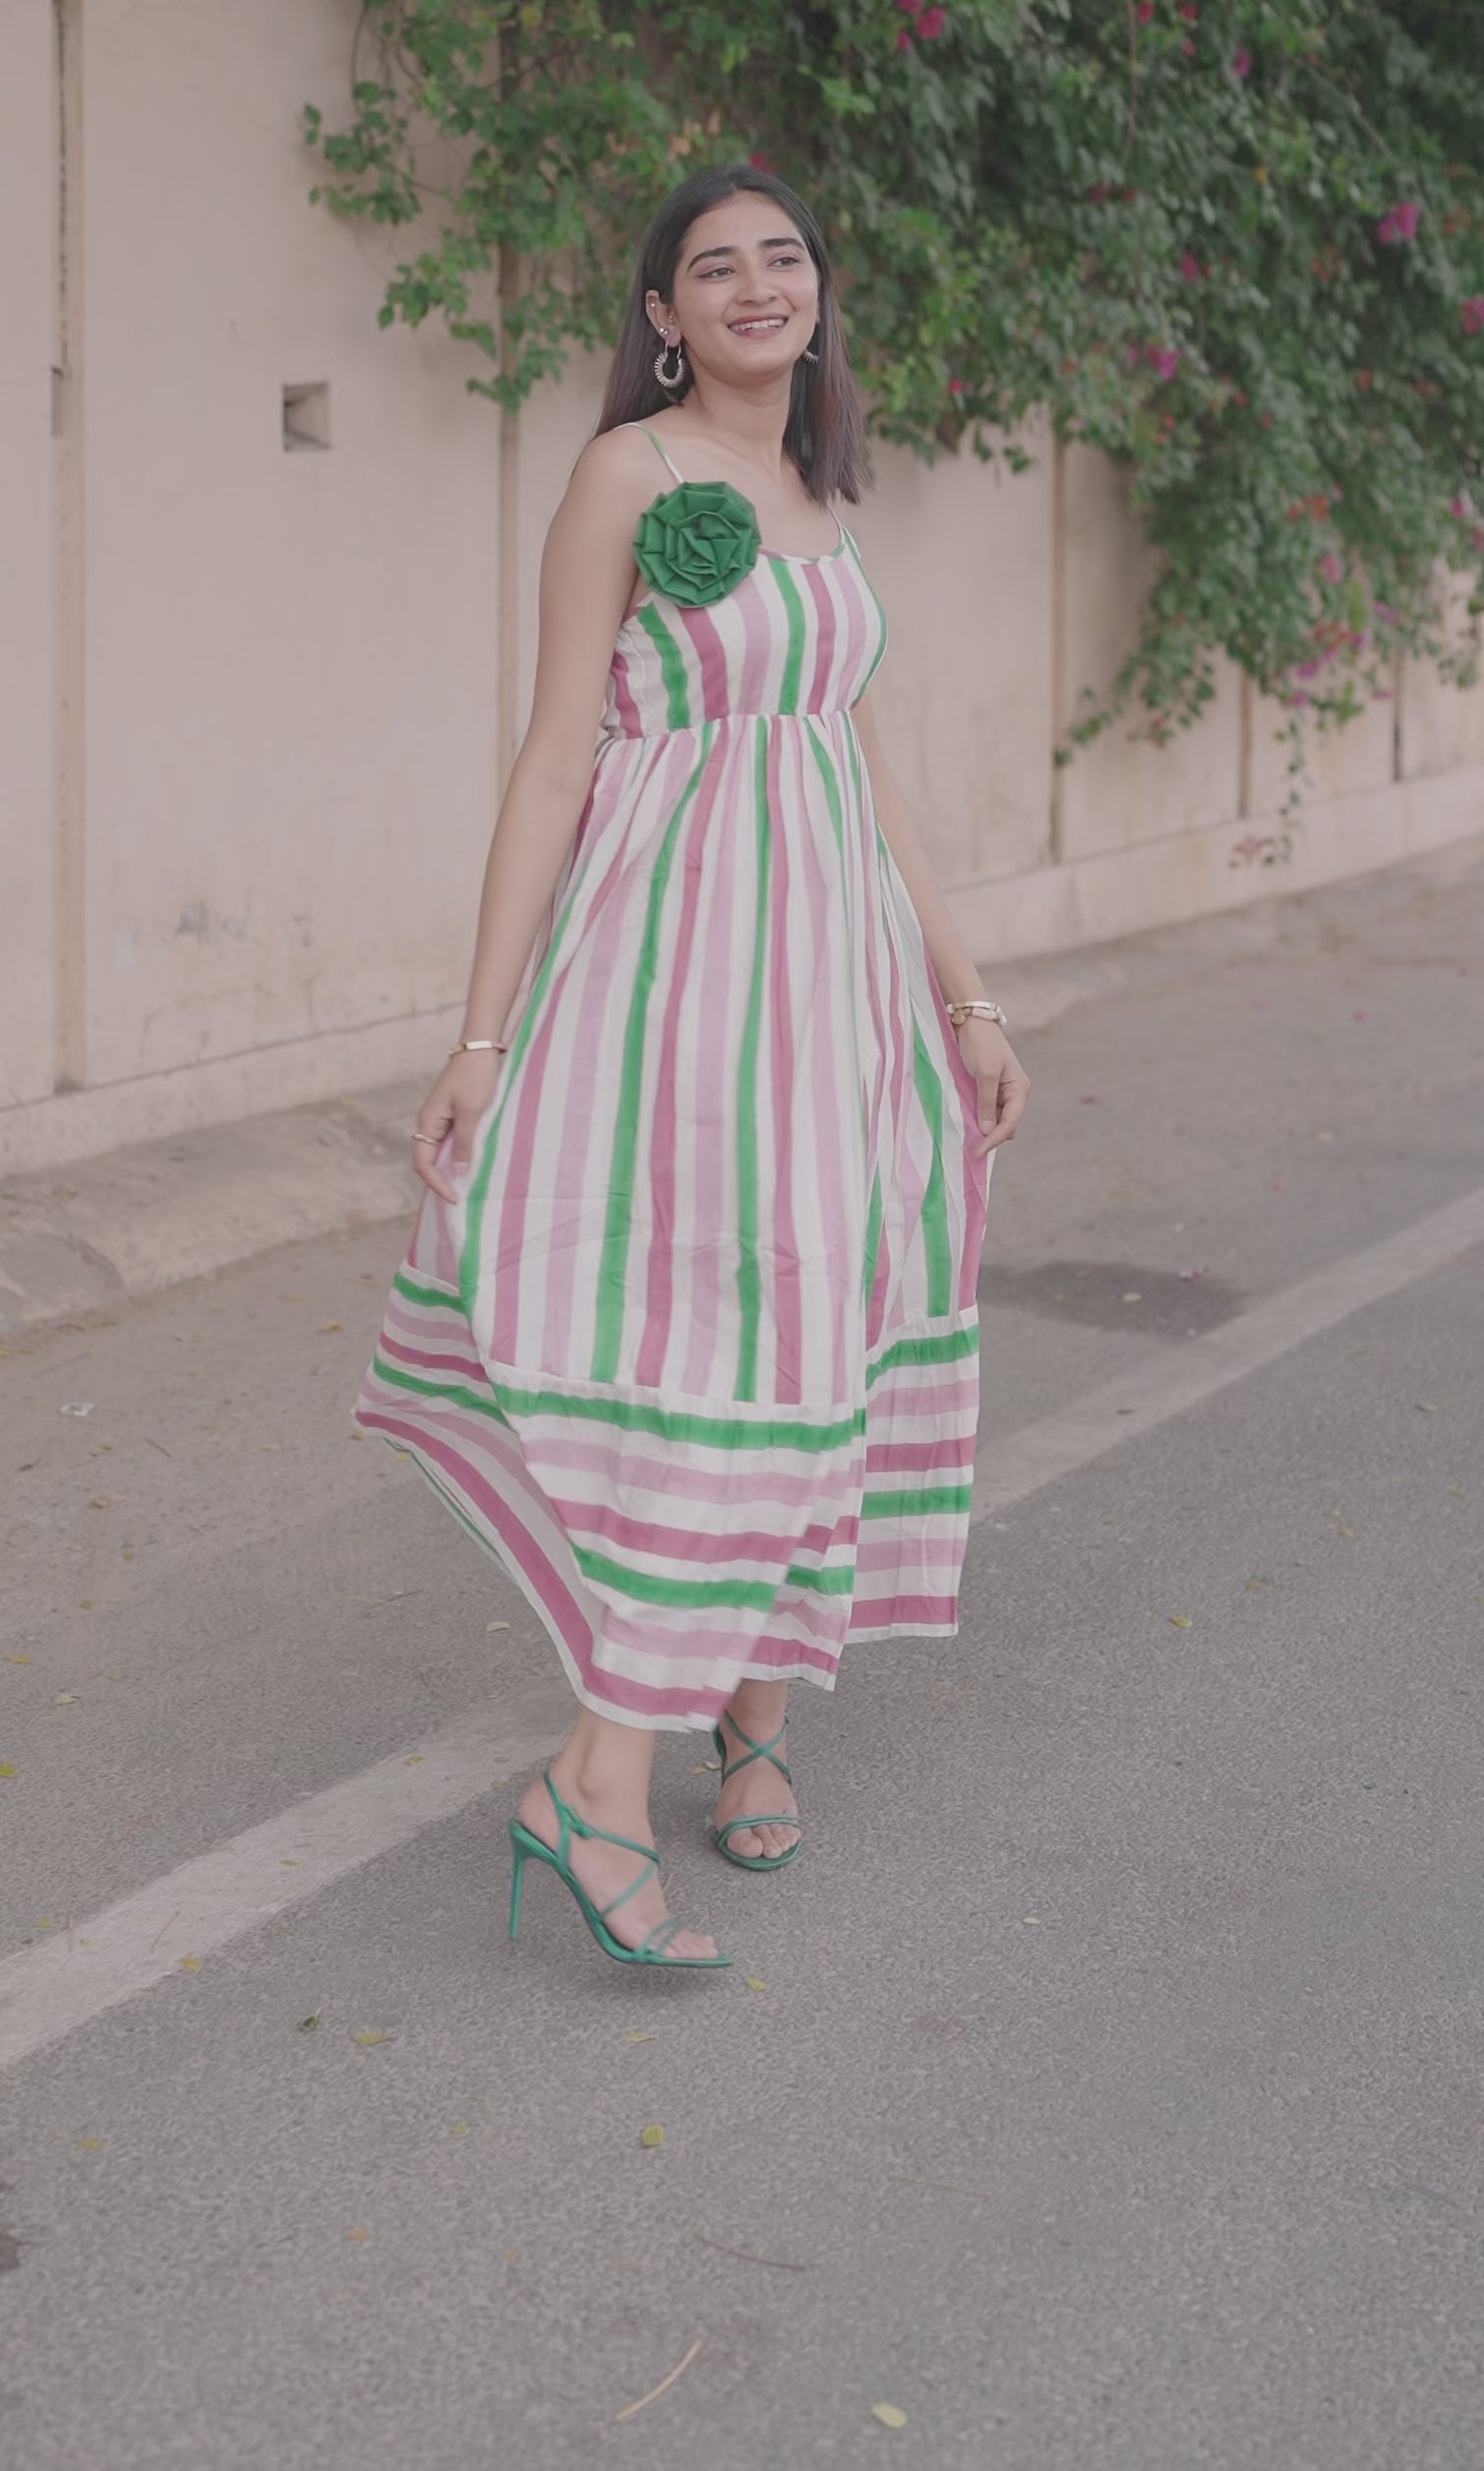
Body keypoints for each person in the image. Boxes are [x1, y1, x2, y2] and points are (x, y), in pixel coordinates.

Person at [357, 165, 1029, 1968]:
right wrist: (481, 1034)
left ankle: (753, 1716)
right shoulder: (625, 478)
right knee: (731, 1342)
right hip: (680, 983)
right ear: (660, 315)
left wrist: (965, 999)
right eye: (711, 268)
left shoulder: (822, 485)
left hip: (839, 993)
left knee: (825, 1332)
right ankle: (596, 1779)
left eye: (783, 257)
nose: (753, 286)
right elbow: (553, 755)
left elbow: (869, 770)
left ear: (820, 290)